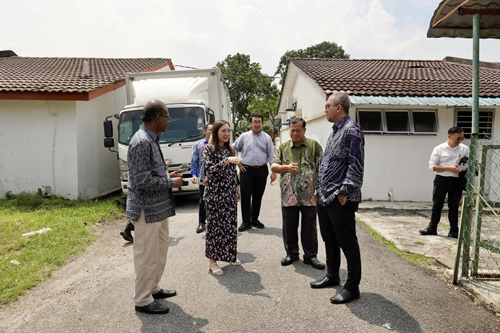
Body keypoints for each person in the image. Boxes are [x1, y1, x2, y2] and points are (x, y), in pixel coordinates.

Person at [126, 99, 183, 314]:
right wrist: (171, 182)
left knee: (158, 253)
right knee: (146, 256)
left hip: (157, 209)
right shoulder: (141, 142)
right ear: (157, 118)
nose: (169, 121)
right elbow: (142, 182)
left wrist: (167, 175)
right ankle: (142, 300)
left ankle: (152, 288)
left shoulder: (151, 139)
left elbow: (150, 174)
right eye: (167, 117)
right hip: (145, 211)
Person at [310, 92, 365, 305]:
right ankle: (332, 275)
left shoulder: (352, 130)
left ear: (338, 107)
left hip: (339, 197)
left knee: (347, 243)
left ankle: (352, 287)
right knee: (329, 239)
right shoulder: (335, 130)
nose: (325, 109)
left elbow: (356, 165)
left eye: (327, 106)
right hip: (325, 197)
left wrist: (344, 192)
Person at [271, 118, 325, 270]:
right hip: (289, 194)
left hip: (310, 195)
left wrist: (321, 190)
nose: (294, 133)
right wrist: (286, 168)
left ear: (304, 131)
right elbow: (274, 166)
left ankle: (310, 256)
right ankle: (292, 253)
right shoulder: (283, 147)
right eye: (292, 130)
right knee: (289, 225)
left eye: (298, 130)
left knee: (310, 226)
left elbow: (322, 168)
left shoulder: (314, 146)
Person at [203, 120, 242, 275]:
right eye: (223, 131)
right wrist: (226, 161)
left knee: (230, 227)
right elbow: (210, 171)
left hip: (230, 194)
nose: (226, 134)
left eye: (228, 131)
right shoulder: (209, 149)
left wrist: (237, 189)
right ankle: (212, 261)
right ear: (216, 132)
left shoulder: (230, 149)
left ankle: (230, 255)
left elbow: (233, 173)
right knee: (215, 228)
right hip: (214, 196)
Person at [420, 127, 469, 239]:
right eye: (458, 138)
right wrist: (449, 168)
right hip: (442, 179)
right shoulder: (439, 149)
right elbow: (432, 166)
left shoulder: (464, 149)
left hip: (457, 181)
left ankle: (454, 231)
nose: (460, 140)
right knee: (437, 204)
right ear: (450, 136)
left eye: (462, 138)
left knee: (454, 206)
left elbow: (468, 163)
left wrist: (461, 169)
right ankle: (432, 228)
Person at [233, 113, 277, 231]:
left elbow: (272, 156)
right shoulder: (244, 136)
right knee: (246, 197)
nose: (257, 124)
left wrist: (274, 172)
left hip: (262, 170)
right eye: (254, 122)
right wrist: (238, 162)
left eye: (259, 122)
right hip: (246, 170)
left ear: (262, 123)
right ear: (251, 123)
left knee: (258, 196)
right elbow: (233, 148)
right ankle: (246, 222)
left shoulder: (267, 138)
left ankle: (255, 219)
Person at [190, 124, 213, 234]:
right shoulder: (198, 145)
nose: (212, 132)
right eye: (210, 130)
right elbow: (194, 161)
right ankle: (201, 223)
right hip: (203, 178)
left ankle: (214, 222)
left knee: (215, 200)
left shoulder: (218, 145)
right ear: (205, 131)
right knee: (203, 200)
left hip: (216, 178)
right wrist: (194, 175)